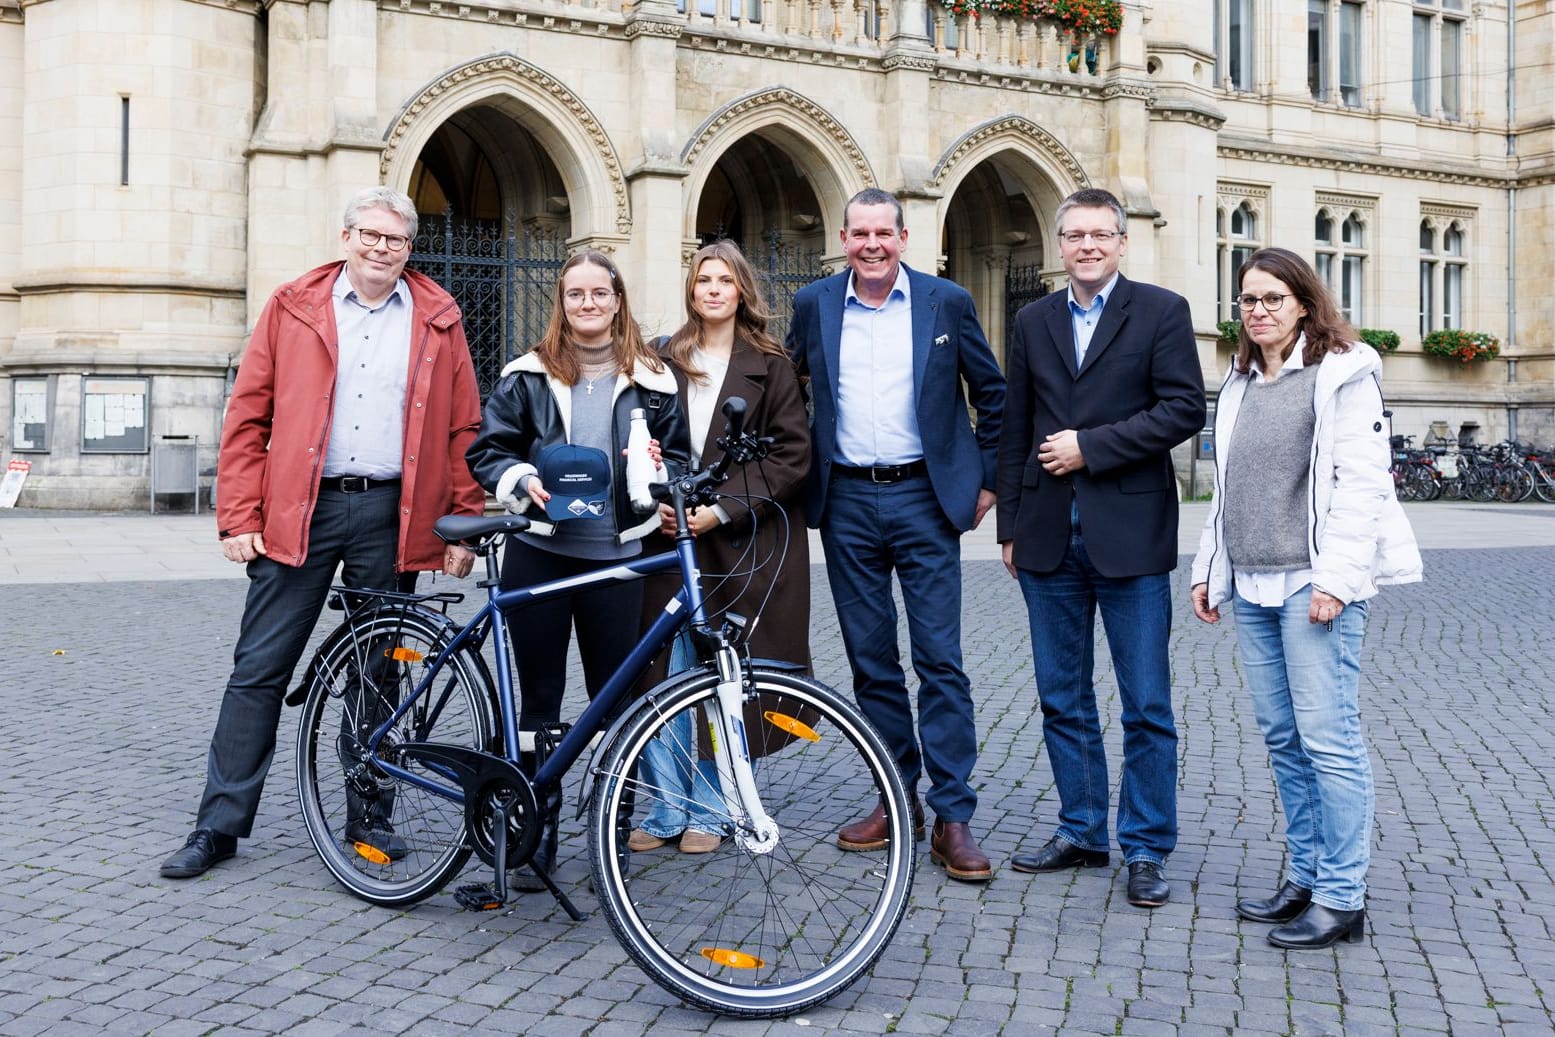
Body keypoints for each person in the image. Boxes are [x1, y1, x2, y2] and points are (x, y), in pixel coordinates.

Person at [160, 186, 485, 879]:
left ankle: (369, 815)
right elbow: (249, 415)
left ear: (409, 247)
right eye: (369, 234)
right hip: (298, 511)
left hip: (389, 513)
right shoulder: (293, 305)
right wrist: (239, 513)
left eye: (395, 239)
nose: (381, 248)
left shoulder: (436, 316)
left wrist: (462, 523)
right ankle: (217, 824)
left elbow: (463, 425)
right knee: (258, 669)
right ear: (345, 237)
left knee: (377, 673)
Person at [1189, 247, 1421, 948]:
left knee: (1329, 741)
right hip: (1254, 583)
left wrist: (1335, 580)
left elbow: (1361, 485)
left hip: (1311, 585)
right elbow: (1226, 491)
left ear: (1302, 303)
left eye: (1271, 298)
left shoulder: (1341, 373)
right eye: (1247, 300)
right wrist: (1207, 567)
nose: (1257, 310)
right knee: (1284, 740)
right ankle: (1308, 874)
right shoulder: (1238, 383)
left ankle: (1342, 896)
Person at [787, 188, 1005, 883]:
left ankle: (952, 814)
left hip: (924, 498)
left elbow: (992, 394)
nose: (872, 244)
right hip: (847, 499)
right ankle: (895, 798)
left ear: (904, 238)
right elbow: (785, 391)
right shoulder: (813, 303)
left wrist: (989, 481)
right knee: (872, 661)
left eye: (885, 232)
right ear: (842, 238)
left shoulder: (946, 302)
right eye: (860, 233)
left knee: (940, 659)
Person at [996, 187, 1205, 908]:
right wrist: (1010, 526)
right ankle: (1082, 829)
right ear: (1058, 247)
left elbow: (1182, 408)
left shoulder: (1161, 311)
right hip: (1048, 536)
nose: (1086, 246)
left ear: (1121, 242)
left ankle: (1146, 846)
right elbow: (1015, 425)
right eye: (1074, 235)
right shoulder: (1032, 317)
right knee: (1062, 696)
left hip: (1130, 536)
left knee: (1145, 703)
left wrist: (1092, 448)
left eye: (1099, 234)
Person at [465, 249, 689, 888]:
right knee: (537, 701)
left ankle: (610, 836)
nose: (587, 305)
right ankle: (535, 840)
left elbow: (677, 459)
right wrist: (519, 476)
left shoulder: (655, 379)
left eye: (599, 294)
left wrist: (657, 469)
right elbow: (489, 449)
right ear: (560, 304)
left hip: (619, 559)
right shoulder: (525, 375)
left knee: (614, 703)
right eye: (575, 295)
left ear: (618, 301)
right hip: (540, 552)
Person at [627, 240, 812, 855]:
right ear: (691, 288)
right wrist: (654, 495)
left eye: (724, 280)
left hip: (739, 541)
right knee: (664, 672)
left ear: (741, 291)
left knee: (723, 674)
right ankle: (665, 807)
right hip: (668, 532)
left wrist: (721, 508)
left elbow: (791, 454)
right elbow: (637, 439)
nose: (712, 289)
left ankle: (713, 806)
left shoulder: (771, 364)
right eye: (702, 278)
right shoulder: (660, 358)